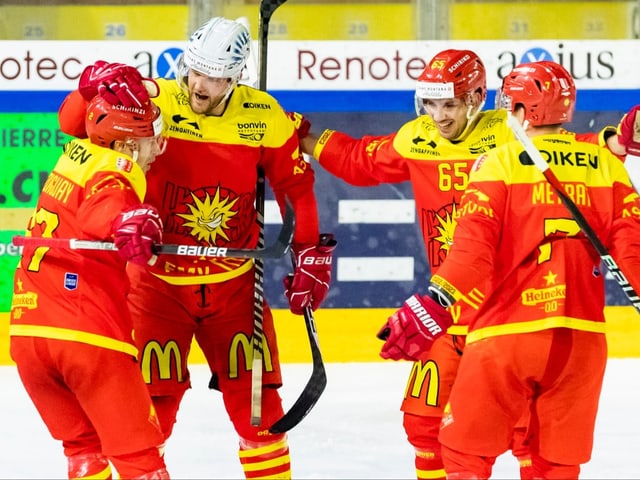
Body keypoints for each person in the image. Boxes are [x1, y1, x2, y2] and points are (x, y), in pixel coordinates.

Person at [298, 49, 625, 480]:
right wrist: (300, 137)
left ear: (475, 98)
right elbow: (361, 161)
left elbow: (569, 149)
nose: (438, 115)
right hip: (445, 310)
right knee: (423, 427)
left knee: (528, 436)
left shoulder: (511, 133)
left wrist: (617, 140)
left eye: (448, 103)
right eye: (430, 104)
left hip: (503, 313)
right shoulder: (417, 138)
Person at [58, 17, 336, 479]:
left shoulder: (263, 115)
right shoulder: (152, 97)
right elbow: (73, 125)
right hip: (156, 288)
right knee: (148, 416)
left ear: (237, 75)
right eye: (195, 71)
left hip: (235, 290)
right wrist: (90, 89)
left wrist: (309, 252)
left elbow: (295, 188)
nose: (199, 85)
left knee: (260, 416)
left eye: (215, 76)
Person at [10, 94, 169, 479]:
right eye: (152, 139)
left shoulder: (77, 150)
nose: (158, 149)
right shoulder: (117, 168)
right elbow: (105, 209)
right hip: (87, 338)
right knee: (140, 461)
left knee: (84, 452)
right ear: (127, 144)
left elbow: (72, 118)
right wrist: (129, 219)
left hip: (28, 336)